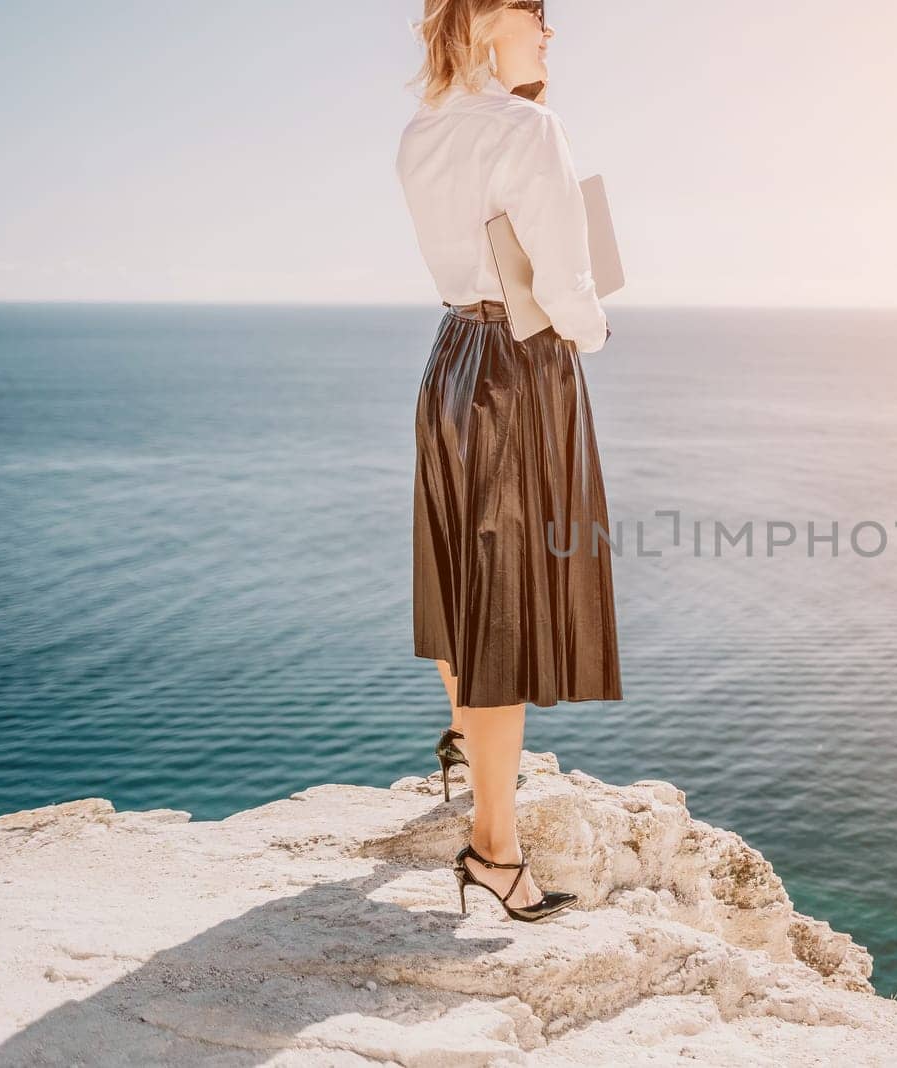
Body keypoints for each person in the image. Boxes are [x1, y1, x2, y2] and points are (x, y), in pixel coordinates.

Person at [395, 0, 623, 923]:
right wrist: (597, 327)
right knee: (508, 615)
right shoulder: (528, 126)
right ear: (493, 19)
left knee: (464, 582)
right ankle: (494, 851)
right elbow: (567, 284)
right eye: (539, 16)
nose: (551, 34)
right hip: (519, 372)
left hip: (451, 362)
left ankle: (461, 737)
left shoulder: (420, 131)